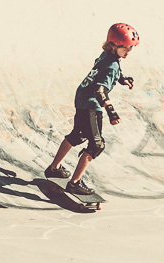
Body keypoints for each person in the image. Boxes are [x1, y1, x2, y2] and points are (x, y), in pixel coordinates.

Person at [45, 23, 139, 196]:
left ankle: (54, 168)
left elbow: (106, 68)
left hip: (81, 97)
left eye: (130, 48)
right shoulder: (112, 65)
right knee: (97, 145)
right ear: (114, 45)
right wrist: (112, 112)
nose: (128, 52)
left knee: (77, 135)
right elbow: (100, 91)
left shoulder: (106, 55)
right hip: (91, 104)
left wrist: (122, 79)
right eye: (125, 48)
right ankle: (74, 184)